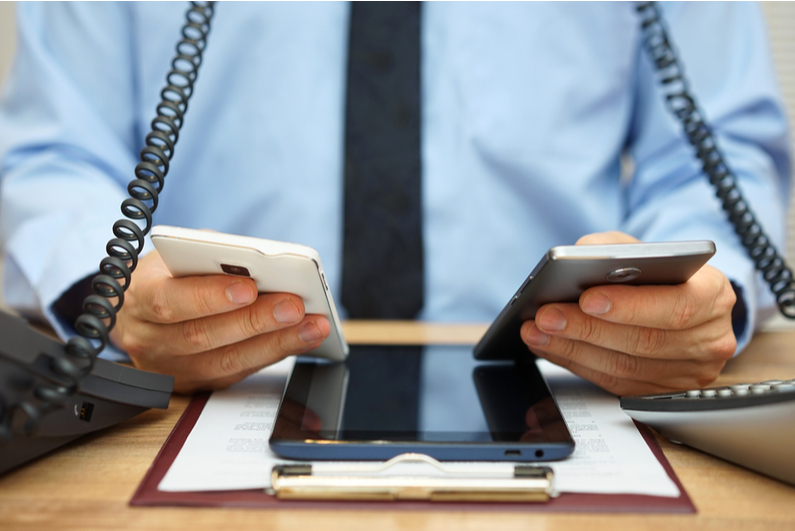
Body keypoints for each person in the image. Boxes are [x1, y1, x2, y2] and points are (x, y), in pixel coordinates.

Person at [0, 2, 789, 395]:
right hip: (192, 396)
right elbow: (53, 149)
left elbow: (713, 156)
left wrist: (686, 298)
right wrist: (111, 293)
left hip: (575, 391)